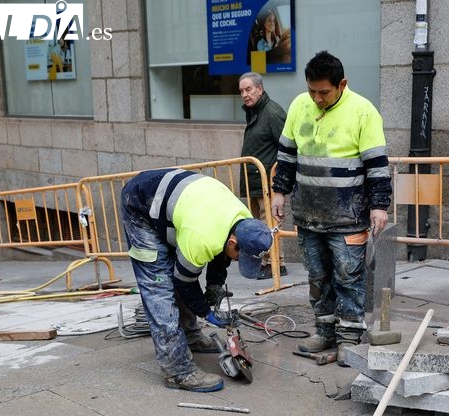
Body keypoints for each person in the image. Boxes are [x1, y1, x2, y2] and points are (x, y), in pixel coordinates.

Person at [270, 51, 391, 366]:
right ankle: (324, 330)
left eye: (324, 92)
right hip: (309, 215)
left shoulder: (363, 112)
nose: (317, 98)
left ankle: (349, 335)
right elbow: (286, 155)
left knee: (348, 277)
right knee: (317, 277)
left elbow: (377, 166)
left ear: (342, 84)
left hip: (348, 217)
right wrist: (278, 192)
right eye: (312, 90)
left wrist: (379, 206)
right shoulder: (300, 106)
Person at [121, 168, 273, 392]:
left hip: (175, 203)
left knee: (181, 270)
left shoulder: (243, 221)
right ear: (233, 242)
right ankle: (178, 371)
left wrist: (214, 286)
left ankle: (191, 337)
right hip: (141, 205)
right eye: (241, 256)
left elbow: (221, 255)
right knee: (160, 289)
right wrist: (206, 312)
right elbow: (184, 282)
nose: (239, 260)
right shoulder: (202, 237)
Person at [239, 71, 287, 279]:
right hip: (254, 180)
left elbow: (287, 149)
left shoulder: (272, 112)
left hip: (267, 180)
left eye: (248, 89)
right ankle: (267, 261)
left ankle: (276, 263)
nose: (244, 94)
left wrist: (279, 183)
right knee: (260, 224)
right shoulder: (256, 111)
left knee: (269, 223)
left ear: (260, 89)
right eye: (241, 91)